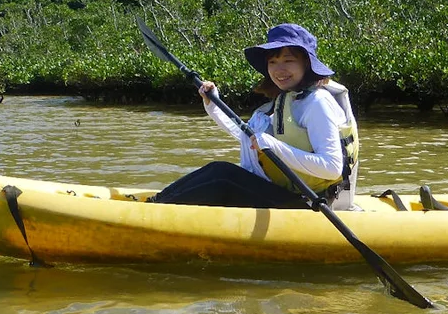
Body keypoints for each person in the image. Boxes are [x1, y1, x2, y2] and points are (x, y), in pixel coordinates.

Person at [149, 24, 361, 210]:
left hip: (311, 203)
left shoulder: (317, 103)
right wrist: (212, 104)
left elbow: (332, 167)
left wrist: (273, 145)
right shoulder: (285, 100)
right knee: (217, 169)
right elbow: (247, 135)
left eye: (288, 60)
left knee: (223, 177)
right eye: (273, 62)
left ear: (306, 64)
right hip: (288, 193)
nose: (279, 70)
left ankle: (156, 210)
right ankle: (157, 202)